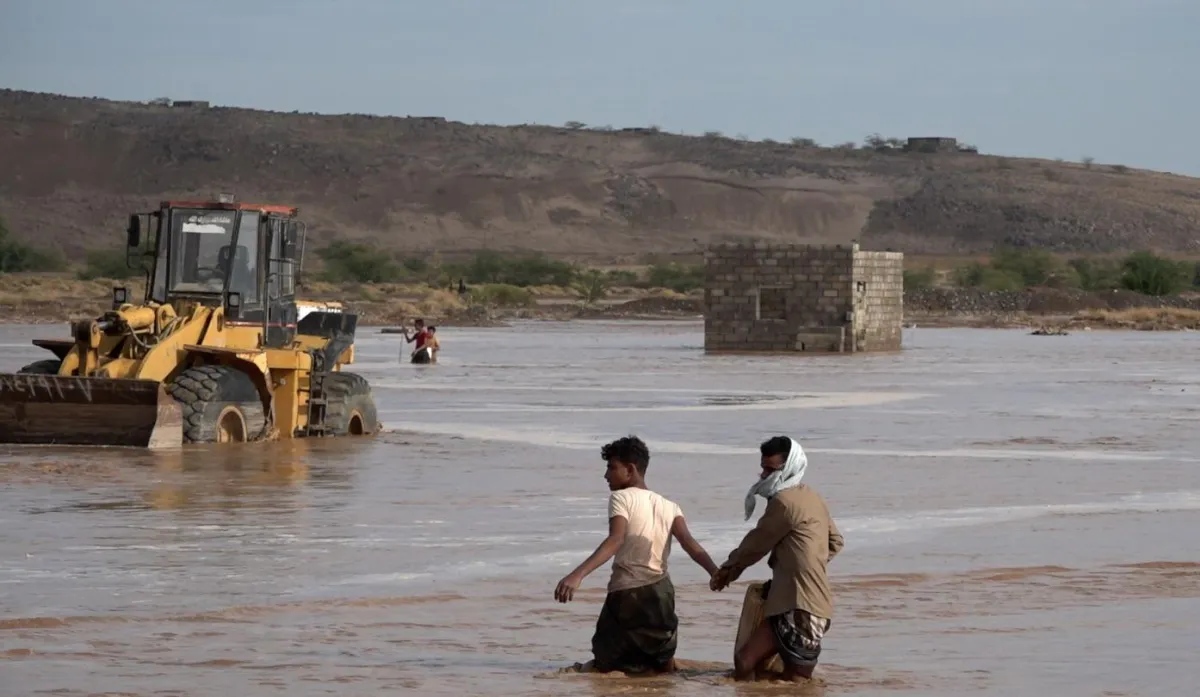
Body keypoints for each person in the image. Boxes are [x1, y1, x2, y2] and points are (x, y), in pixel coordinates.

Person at [554, 435, 719, 675]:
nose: (606, 475)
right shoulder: (669, 505)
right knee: (660, 659)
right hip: (662, 592)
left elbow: (615, 540)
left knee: (606, 661)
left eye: (611, 467)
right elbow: (690, 543)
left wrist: (576, 575)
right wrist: (715, 572)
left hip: (628, 592)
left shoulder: (620, 498)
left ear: (630, 470)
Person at [710, 435, 844, 682]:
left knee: (796, 681)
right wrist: (799, 568)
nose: (763, 475)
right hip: (804, 603)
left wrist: (726, 572)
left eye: (770, 469)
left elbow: (756, 545)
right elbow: (835, 542)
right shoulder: (811, 497)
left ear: (789, 467)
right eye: (762, 468)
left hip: (803, 610)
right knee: (749, 662)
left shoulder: (784, 502)